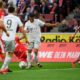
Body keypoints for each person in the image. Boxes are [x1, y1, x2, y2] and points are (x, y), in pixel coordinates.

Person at [0, 6, 27, 74]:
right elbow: (22, 29)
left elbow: (1, 25)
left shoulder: (4, 17)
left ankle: (6, 68)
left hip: (3, 38)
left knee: (7, 53)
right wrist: (26, 37)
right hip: (10, 37)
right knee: (10, 54)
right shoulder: (16, 18)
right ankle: (2, 69)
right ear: (14, 11)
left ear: (8, 11)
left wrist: (3, 32)